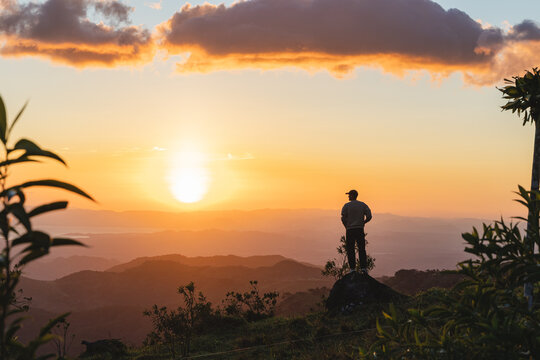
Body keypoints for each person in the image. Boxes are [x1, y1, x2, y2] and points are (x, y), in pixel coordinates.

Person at [341, 189, 372, 274]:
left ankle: (352, 269)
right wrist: (363, 222)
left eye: (349, 195)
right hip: (359, 229)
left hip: (350, 230)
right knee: (361, 249)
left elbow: (343, 217)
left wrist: (346, 226)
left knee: (350, 249)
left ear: (352, 195)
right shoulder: (362, 205)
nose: (348, 196)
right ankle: (363, 268)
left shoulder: (346, 206)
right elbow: (369, 216)